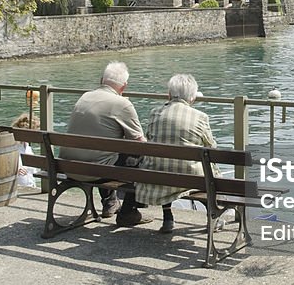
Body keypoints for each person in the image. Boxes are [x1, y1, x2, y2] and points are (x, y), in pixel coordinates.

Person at [136, 73, 230, 234]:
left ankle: (167, 218)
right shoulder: (200, 117)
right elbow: (211, 147)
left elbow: (150, 138)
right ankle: (212, 216)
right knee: (206, 171)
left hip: (158, 176)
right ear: (192, 97)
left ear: (169, 95)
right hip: (191, 179)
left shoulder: (155, 113)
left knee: (166, 163)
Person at [59, 61, 148, 225]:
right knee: (142, 158)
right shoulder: (122, 104)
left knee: (105, 152)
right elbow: (140, 143)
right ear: (124, 87)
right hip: (95, 171)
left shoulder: (84, 96)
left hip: (68, 167)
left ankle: (110, 203)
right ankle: (128, 212)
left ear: (102, 80)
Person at [12, 112, 39, 189]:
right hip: (20, 184)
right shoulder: (15, 147)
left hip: (29, 183)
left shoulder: (27, 147)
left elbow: (34, 170)